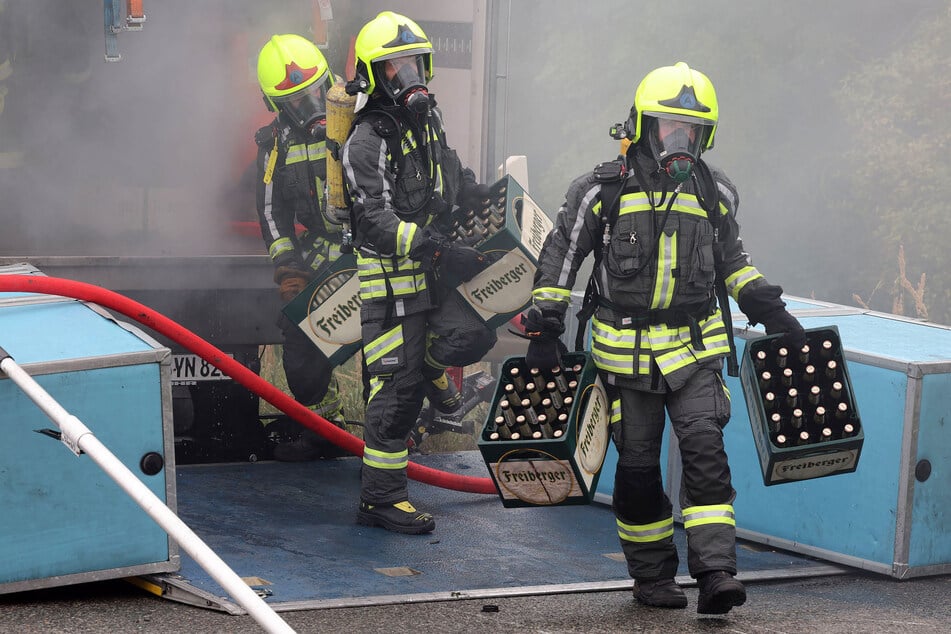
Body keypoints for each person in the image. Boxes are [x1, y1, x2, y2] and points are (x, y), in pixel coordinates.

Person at [523, 62, 805, 614]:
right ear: (643, 127)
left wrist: (768, 308)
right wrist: (546, 324)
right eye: (671, 127)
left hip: (695, 348)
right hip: (624, 357)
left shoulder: (716, 191)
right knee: (637, 468)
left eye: (692, 131)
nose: (681, 140)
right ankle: (652, 577)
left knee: (706, 452)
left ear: (705, 136)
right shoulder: (600, 190)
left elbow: (733, 261)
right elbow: (561, 256)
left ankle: (716, 573)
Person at [341, 11, 497, 534]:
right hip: (392, 288)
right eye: (394, 66)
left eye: (414, 61)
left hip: (432, 274)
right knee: (396, 394)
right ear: (374, 75)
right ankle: (380, 500)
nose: (408, 74)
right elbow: (375, 220)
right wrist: (436, 250)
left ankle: (429, 368)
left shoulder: (428, 119)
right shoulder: (366, 139)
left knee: (474, 334)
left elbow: (444, 169)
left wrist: (471, 190)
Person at [254, 33, 349, 461]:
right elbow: (271, 211)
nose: (311, 106)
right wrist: (289, 267)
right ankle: (326, 429)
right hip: (322, 252)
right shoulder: (276, 144)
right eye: (295, 101)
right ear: (275, 105)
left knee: (386, 351)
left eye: (315, 92)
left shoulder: (363, 115)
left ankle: (387, 435)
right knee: (301, 343)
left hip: (375, 251)